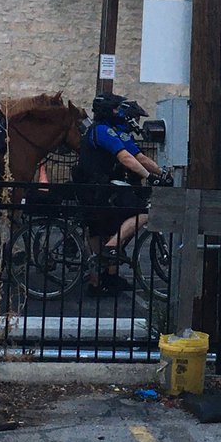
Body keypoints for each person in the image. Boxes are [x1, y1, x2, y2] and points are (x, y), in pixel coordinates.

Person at [74, 92, 164, 297]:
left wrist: (162, 172)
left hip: (97, 188)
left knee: (103, 230)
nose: (119, 112)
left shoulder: (108, 130)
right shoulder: (103, 131)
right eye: (116, 108)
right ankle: (111, 251)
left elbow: (138, 156)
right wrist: (149, 176)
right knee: (143, 212)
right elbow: (125, 157)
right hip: (95, 189)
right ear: (108, 111)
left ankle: (101, 282)